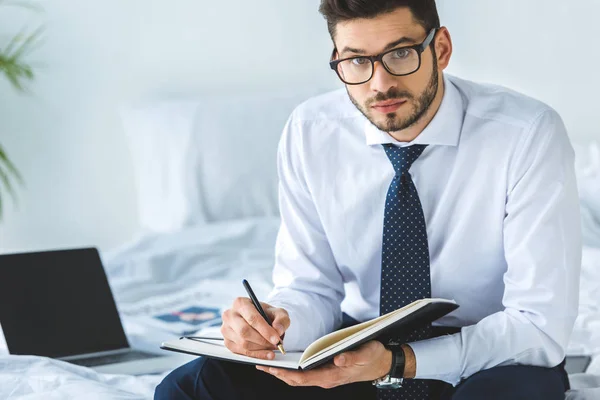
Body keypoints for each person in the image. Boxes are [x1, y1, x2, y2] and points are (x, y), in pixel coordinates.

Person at [155, 0, 581, 399]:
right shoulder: (311, 131)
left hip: (487, 356)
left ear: (442, 48)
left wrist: (398, 362)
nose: (380, 83)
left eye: (400, 54)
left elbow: (537, 327)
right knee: (190, 388)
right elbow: (311, 287)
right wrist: (278, 323)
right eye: (357, 60)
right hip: (355, 353)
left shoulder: (525, 133)